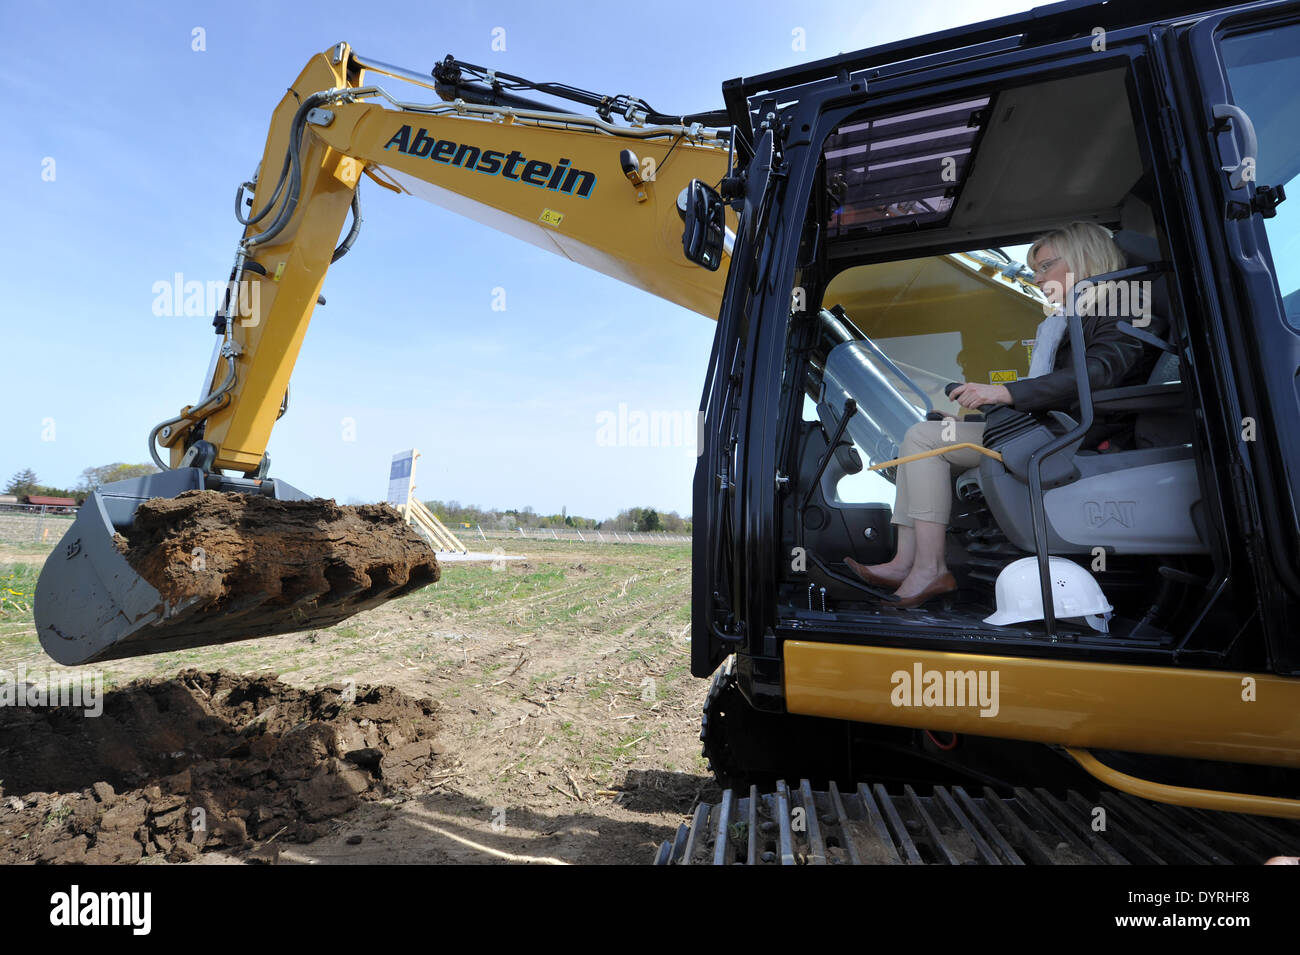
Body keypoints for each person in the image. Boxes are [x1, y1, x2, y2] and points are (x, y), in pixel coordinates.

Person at [845, 221, 1153, 608]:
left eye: (1045, 267)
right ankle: (907, 562)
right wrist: (972, 421)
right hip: (1049, 429)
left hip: (1074, 436)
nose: (1036, 278)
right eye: (1035, 268)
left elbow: (1098, 372)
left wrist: (1004, 392)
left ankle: (929, 568)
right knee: (925, 434)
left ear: (1082, 260)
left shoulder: (1119, 304)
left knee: (923, 440)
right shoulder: (1067, 319)